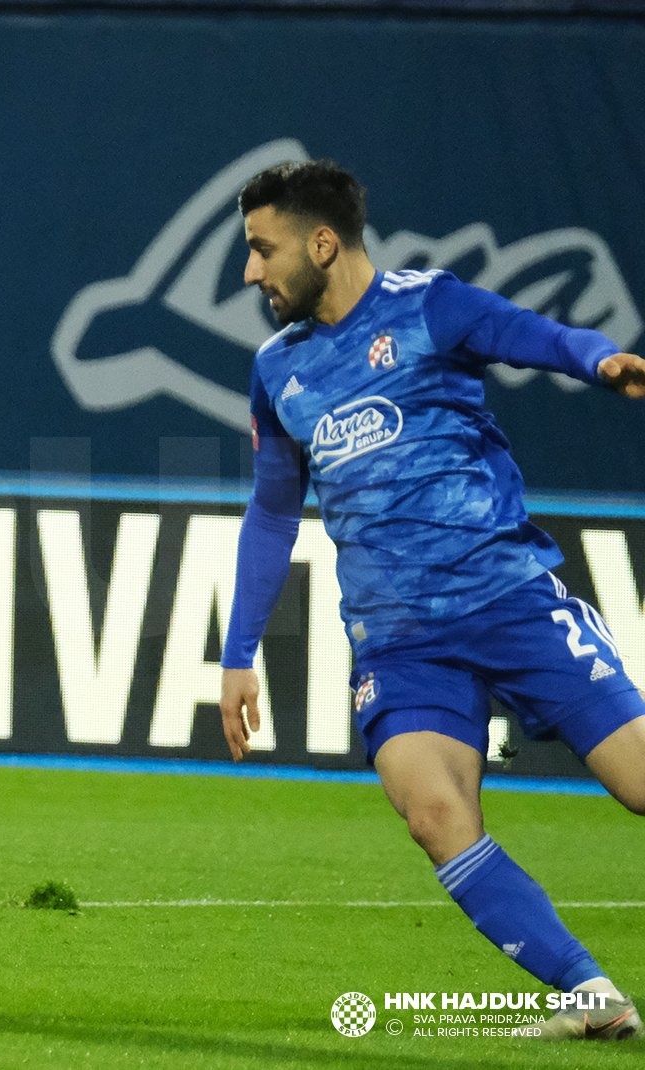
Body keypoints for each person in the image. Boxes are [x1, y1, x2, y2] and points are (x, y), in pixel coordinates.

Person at [217, 159, 645, 1041]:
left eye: (263, 250)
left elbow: (535, 335)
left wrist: (601, 360)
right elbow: (270, 512)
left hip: (510, 601)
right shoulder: (277, 370)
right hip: (399, 644)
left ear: (323, 242)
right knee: (433, 813)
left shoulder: (429, 307)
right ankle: (589, 995)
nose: (251, 272)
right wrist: (236, 653)